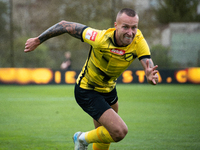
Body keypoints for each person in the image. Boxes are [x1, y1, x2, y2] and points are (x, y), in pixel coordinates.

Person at [24, 8, 158, 150]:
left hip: (109, 90)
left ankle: (83, 140)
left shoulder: (138, 40)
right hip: (87, 90)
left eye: (134, 27)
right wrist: (38, 40)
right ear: (116, 26)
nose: (130, 32)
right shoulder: (99, 38)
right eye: (125, 27)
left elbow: (147, 63)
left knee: (106, 136)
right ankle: (81, 138)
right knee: (119, 131)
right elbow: (65, 25)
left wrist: (149, 75)